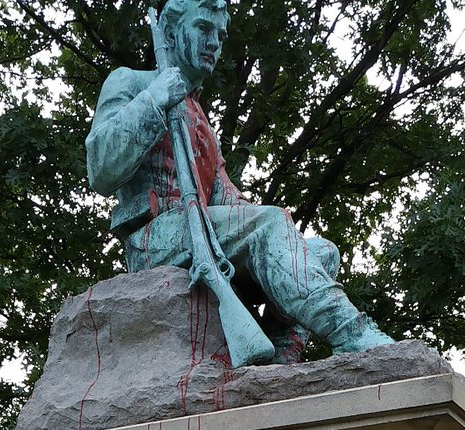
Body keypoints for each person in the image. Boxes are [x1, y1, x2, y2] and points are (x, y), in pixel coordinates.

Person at [85, 0, 394, 362]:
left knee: (321, 252)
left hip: (203, 230)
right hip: (156, 239)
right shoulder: (133, 82)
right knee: (269, 225)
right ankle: (352, 332)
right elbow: (100, 167)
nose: (214, 42)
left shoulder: (202, 125)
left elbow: (228, 203)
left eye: (220, 34)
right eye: (203, 28)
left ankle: (282, 356)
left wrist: (281, 232)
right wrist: (154, 100)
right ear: (169, 33)